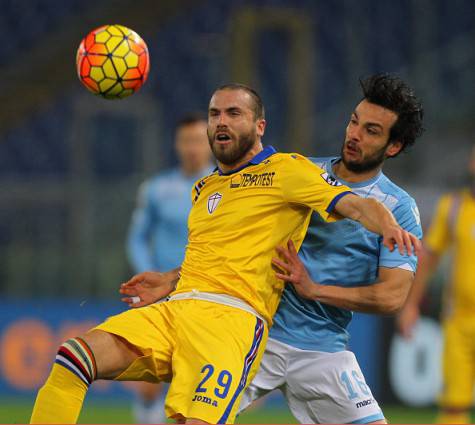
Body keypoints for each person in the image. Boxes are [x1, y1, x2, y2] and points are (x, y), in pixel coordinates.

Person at [31, 83, 419, 425]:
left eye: (371, 131)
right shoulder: (279, 174)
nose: (354, 134)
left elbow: (389, 292)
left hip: (309, 343)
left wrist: (317, 288)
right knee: (80, 360)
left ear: (394, 145)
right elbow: (228, 246)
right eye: (353, 122)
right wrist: (169, 278)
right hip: (244, 328)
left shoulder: (383, 202)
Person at [126, 113, 213, 424]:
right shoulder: (155, 188)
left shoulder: (223, 187)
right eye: (187, 140)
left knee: (192, 382)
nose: (192, 147)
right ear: (177, 144)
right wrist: (149, 276)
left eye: (199, 140)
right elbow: (136, 239)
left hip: (204, 294)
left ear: (210, 143)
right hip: (159, 294)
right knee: (149, 378)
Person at [397, 145, 475, 424]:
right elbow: (427, 259)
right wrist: (410, 306)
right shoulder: (453, 208)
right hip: (460, 323)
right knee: (454, 406)